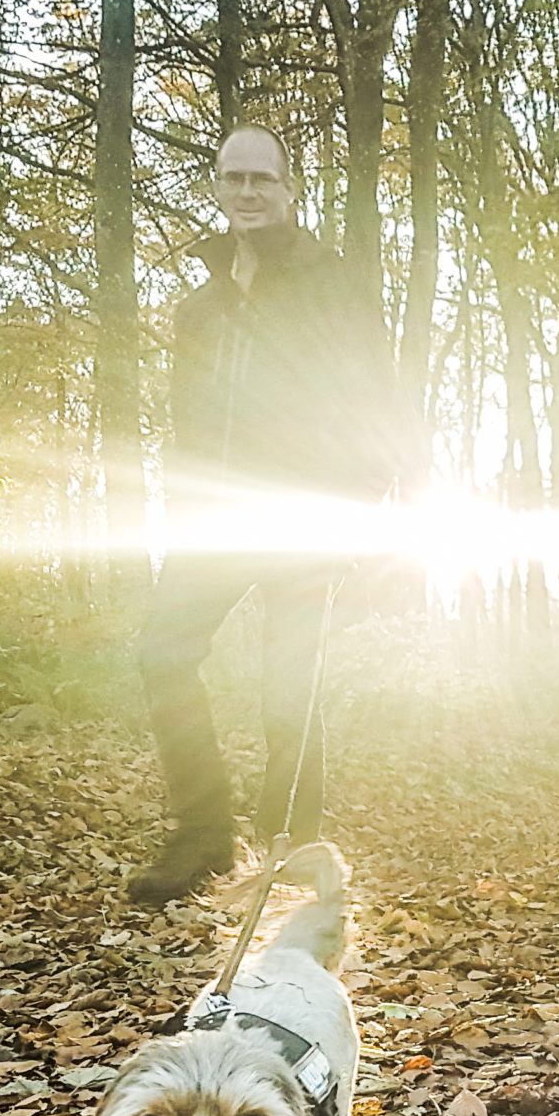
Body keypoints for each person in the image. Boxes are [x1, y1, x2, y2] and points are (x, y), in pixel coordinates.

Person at [128, 123, 411, 907]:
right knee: (162, 655)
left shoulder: (331, 281)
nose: (247, 192)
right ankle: (204, 834)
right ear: (217, 189)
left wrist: (359, 506)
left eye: (263, 178)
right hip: (213, 521)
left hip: (303, 517)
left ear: (289, 189)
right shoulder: (201, 307)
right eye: (233, 178)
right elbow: (188, 421)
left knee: (291, 688)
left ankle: (289, 850)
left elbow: (373, 399)